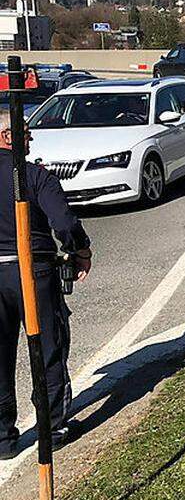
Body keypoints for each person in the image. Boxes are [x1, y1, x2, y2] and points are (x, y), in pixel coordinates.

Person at [0, 114, 91, 458]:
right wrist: (80, 251)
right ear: (8, 136)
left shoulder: (32, 174)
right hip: (32, 271)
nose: (31, 141)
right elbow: (65, 223)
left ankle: (3, 439)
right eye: (27, 134)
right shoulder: (34, 176)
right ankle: (52, 426)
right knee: (47, 346)